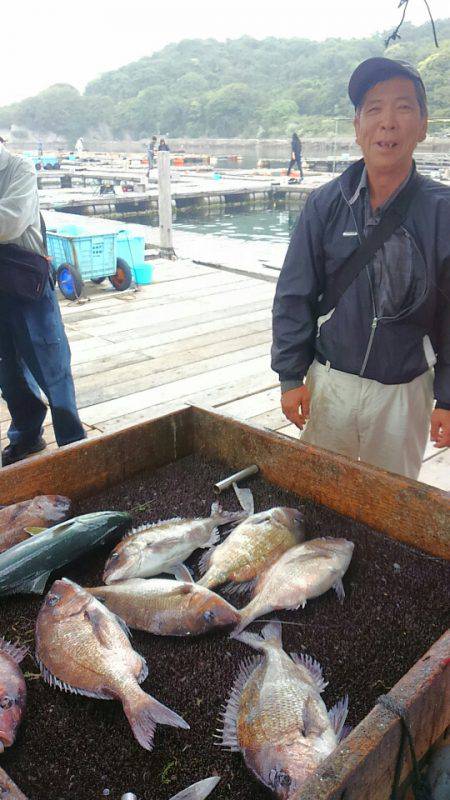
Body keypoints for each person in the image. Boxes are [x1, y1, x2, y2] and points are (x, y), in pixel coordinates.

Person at [272, 57, 450, 480]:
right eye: (374, 108)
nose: (388, 122)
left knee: (391, 508)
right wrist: (289, 375)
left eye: (404, 107)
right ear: (357, 127)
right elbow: (294, 294)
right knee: (319, 493)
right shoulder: (325, 204)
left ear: (423, 125)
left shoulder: (443, 212)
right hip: (329, 384)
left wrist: (446, 399)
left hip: (403, 393)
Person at [0, 140, 85, 465]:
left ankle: (73, 442)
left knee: (51, 366)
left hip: (27, 285)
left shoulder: (19, 168)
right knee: (7, 372)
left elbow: (9, 223)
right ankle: (27, 436)